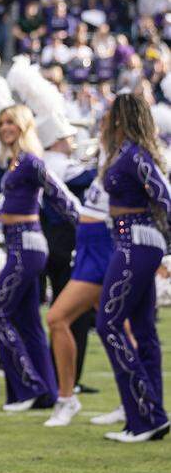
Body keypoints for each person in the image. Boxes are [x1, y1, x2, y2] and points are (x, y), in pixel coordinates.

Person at [0, 105, 79, 412]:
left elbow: (61, 196)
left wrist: (86, 228)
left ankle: (31, 388)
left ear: (24, 126)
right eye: (1, 122)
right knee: (28, 323)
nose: (4, 127)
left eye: (10, 121)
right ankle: (47, 393)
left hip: (26, 245)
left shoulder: (30, 161)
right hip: (18, 244)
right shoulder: (13, 162)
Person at [96, 93, 171, 442]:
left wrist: (169, 253)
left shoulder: (135, 155)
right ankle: (152, 414)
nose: (106, 119)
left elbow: (165, 198)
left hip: (136, 242)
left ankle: (145, 414)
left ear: (122, 117)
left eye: (112, 114)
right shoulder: (129, 153)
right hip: (135, 242)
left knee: (108, 323)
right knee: (143, 330)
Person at [44, 174, 112, 426]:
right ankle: (67, 398)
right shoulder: (106, 162)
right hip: (88, 248)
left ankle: (137, 401)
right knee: (58, 319)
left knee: (119, 328)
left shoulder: (134, 158)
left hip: (107, 248)